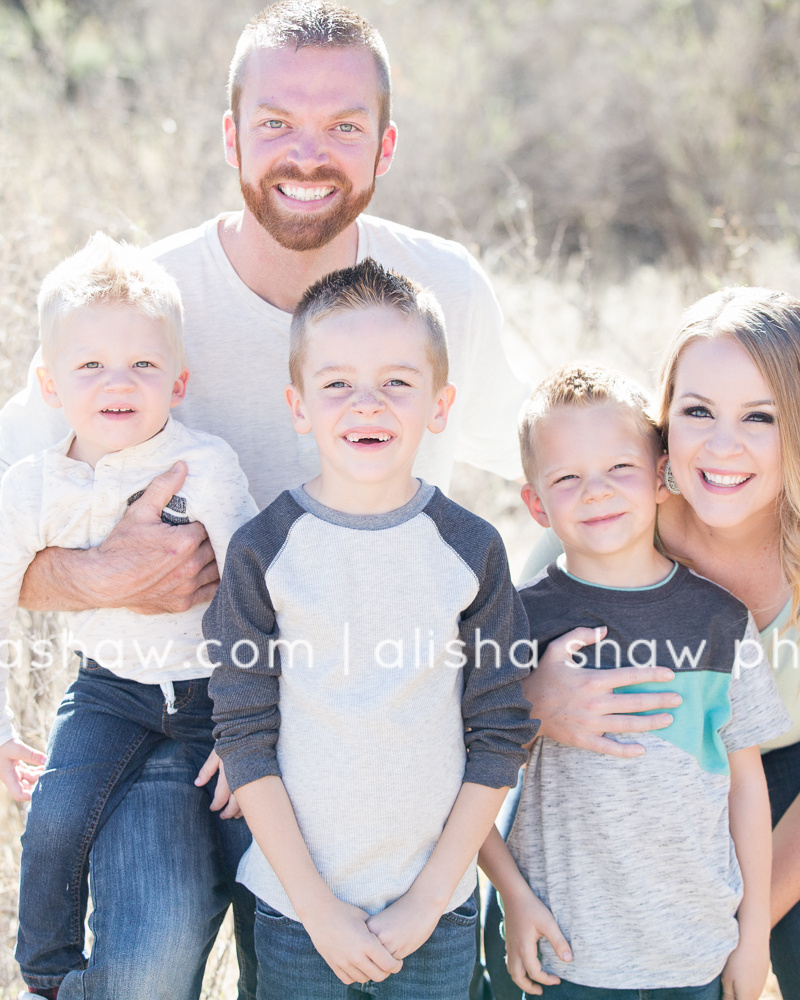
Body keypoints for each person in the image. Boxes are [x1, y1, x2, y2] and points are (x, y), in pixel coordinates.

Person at [0, 4, 547, 996]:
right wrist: (101, 571)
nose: (309, 152)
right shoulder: (136, 305)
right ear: (229, 135)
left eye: (343, 125)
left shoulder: (437, 291)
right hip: (179, 711)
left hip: (373, 715)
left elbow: (559, 467)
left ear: (385, 144)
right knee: (144, 974)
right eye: (277, 122)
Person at [205, 258, 539, 1000]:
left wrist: (428, 897)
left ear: (439, 403)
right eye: (336, 385)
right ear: (299, 406)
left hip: (436, 912)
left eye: (396, 382)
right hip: (297, 915)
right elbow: (245, 736)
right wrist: (317, 910)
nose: (367, 405)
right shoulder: (264, 550)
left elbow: (499, 732)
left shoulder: (471, 548)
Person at [0, 234, 259, 1000]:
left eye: (143, 364)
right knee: (54, 814)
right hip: (112, 691)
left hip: (213, 695)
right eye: (90, 366)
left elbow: (254, 596)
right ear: (49, 385)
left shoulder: (204, 466)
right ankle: (47, 973)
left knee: (260, 845)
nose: (119, 382)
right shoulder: (32, 487)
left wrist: (252, 720)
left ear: (178, 382)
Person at [480, 363, 789, 1000]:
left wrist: (752, 933)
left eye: (620, 468)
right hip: (556, 957)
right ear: (535, 502)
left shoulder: (722, 621)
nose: (596, 492)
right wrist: (511, 897)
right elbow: (459, 773)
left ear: (660, 478)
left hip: (692, 956)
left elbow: (746, 785)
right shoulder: (518, 620)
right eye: (567, 478)